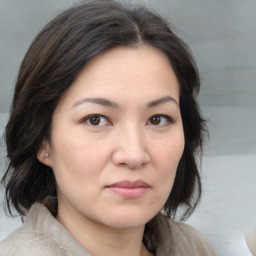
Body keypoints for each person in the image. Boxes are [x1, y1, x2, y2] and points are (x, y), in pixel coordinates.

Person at [0, 0, 217, 255]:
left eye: (157, 119)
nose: (134, 155)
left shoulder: (194, 248)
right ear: (41, 140)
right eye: (96, 119)